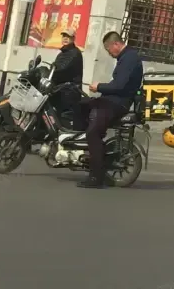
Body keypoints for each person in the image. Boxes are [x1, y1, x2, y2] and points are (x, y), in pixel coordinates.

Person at [77, 31, 144, 189]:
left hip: (117, 103)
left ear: (116, 44)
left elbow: (119, 86)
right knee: (81, 105)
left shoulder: (129, 58)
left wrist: (99, 87)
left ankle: (96, 177)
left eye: (109, 49)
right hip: (113, 100)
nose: (109, 53)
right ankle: (83, 149)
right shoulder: (126, 57)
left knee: (93, 133)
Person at [49, 28, 84, 128]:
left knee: (63, 118)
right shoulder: (63, 53)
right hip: (60, 90)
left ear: (73, 39)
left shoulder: (74, 53)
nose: (65, 38)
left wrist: (52, 70)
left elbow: (61, 69)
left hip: (69, 92)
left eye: (68, 36)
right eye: (64, 36)